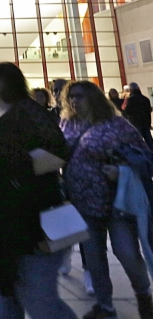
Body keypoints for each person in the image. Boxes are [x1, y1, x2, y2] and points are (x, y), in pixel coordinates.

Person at [0, 63, 76, 319]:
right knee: (3, 299)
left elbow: (58, 153)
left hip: (29, 219)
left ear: (6, 82)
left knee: (39, 301)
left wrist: (2, 163)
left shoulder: (26, 111)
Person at [61, 81, 153, 319]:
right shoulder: (67, 123)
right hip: (82, 202)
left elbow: (144, 158)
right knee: (93, 256)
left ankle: (143, 294)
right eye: (71, 97)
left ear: (94, 98)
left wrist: (120, 170)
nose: (74, 101)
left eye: (80, 96)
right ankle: (105, 305)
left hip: (116, 203)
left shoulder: (117, 125)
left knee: (127, 253)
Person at [124, 82, 153, 149]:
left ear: (130, 90)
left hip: (135, 122)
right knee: (149, 141)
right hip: (145, 122)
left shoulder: (130, 99)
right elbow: (149, 110)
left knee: (137, 142)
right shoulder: (146, 99)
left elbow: (127, 111)